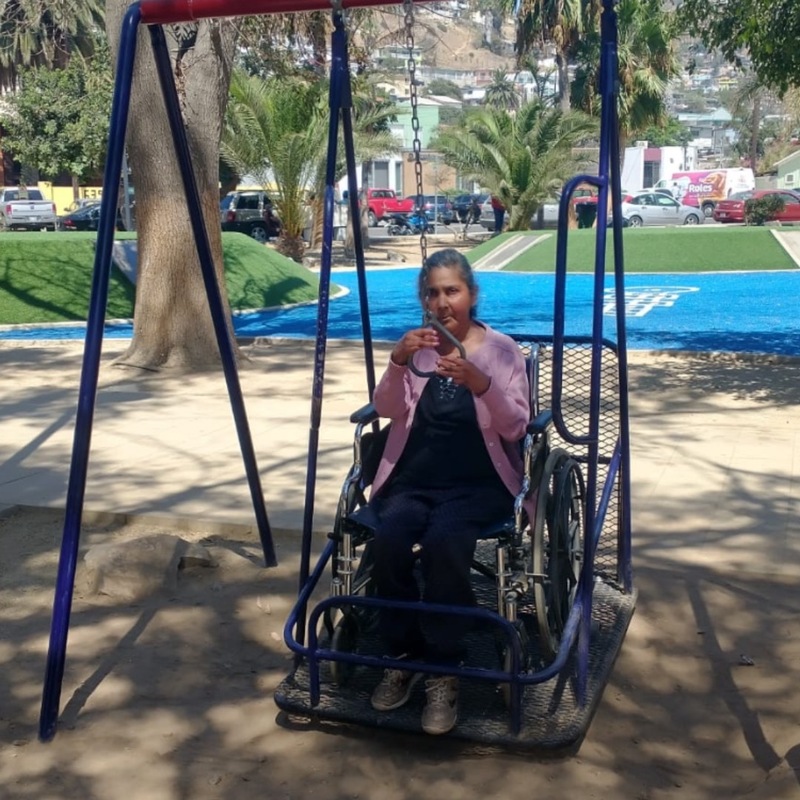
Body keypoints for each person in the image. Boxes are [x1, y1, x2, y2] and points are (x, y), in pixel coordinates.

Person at [367, 248, 529, 735]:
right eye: (433, 293)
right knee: (388, 541)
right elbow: (386, 408)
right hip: (415, 478)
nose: (442, 302)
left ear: (471, 295)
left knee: (444, 544)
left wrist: (482, 385)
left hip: (477, 483)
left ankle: (443, 666)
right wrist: (397, 362)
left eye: (452, 291)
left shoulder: (502, 351)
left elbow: (516, 427)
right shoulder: (418, 348)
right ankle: (402, 656)